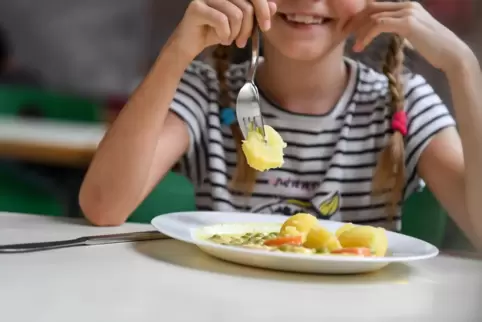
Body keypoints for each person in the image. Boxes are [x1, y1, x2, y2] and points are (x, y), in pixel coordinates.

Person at [79, 0, 482, 249]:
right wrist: (177, 51)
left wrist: (464, 68)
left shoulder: (403, 101)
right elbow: (103, 207)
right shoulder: (207, 91)